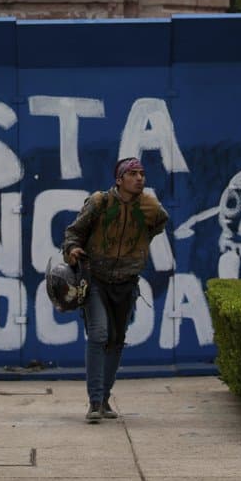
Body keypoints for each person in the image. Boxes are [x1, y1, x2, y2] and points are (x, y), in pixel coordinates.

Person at [61, 157, 169, 423]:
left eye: (142, 173)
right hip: (95, 278)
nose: (140, 178)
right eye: (133, 174)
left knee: (116, 340)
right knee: (98, 334)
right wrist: (72, 250)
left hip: (127, 281)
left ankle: (105, 398)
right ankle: (95, 401)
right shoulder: (99, 202)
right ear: (119, 179)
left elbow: (159, 224)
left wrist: (136, 249)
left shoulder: (150, 206)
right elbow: (74, 232)